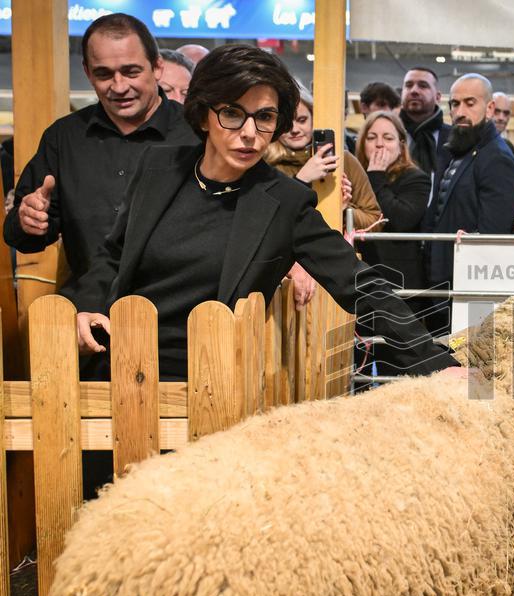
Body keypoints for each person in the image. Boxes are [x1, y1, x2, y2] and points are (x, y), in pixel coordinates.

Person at [71, 44, 456, 383]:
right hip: (117, 368)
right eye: (233, 114)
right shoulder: (156, 168)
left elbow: (360, 285)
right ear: (204, 115)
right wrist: (87, 305)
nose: (250, 132)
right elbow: (114, 253)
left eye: (265, 117)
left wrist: (437, 363)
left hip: (209, 383)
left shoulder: (284, 201)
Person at [3, 13, 197, 303]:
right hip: (88, 319)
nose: (118, 87)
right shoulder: (64, 138)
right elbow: (22, 238)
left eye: (131, 72)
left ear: (157, 67)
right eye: (104, 74)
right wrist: (28, 220)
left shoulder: (199, 135)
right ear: (88, 71)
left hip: (184, 320)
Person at [263, 83, 383, 309]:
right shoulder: (262, 163)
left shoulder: (343, 160)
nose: (294, 129)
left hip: (336, 272)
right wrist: (302, 179)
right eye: (287, 122)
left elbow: (375, 221)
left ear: (313, 119)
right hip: (281, 281)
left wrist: (345, 211)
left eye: (301, 120)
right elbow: (265, 225)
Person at [422, 74, 514, 336]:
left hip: (470, 289)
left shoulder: (496, 157)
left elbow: (492, 236)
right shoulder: (461, 149)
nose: (460, 112)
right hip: (445, 284)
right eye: (455, 104)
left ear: (489, 108)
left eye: (469, 103)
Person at [355, 111, 429, 294]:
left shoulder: (416, 178)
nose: (379, 144)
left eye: (388, 138)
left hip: (400, 280)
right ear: (363, 143)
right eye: (371, 137)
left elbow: (400, 219)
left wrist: (376, 176)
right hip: (361, 275)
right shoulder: (355, 177)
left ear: (401, 145)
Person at [399, 67, 451, 185]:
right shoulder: (389, 136)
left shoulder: (454, 139)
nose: (414, 91)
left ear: (438, 97)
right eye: (408, 85)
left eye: (423, 86)